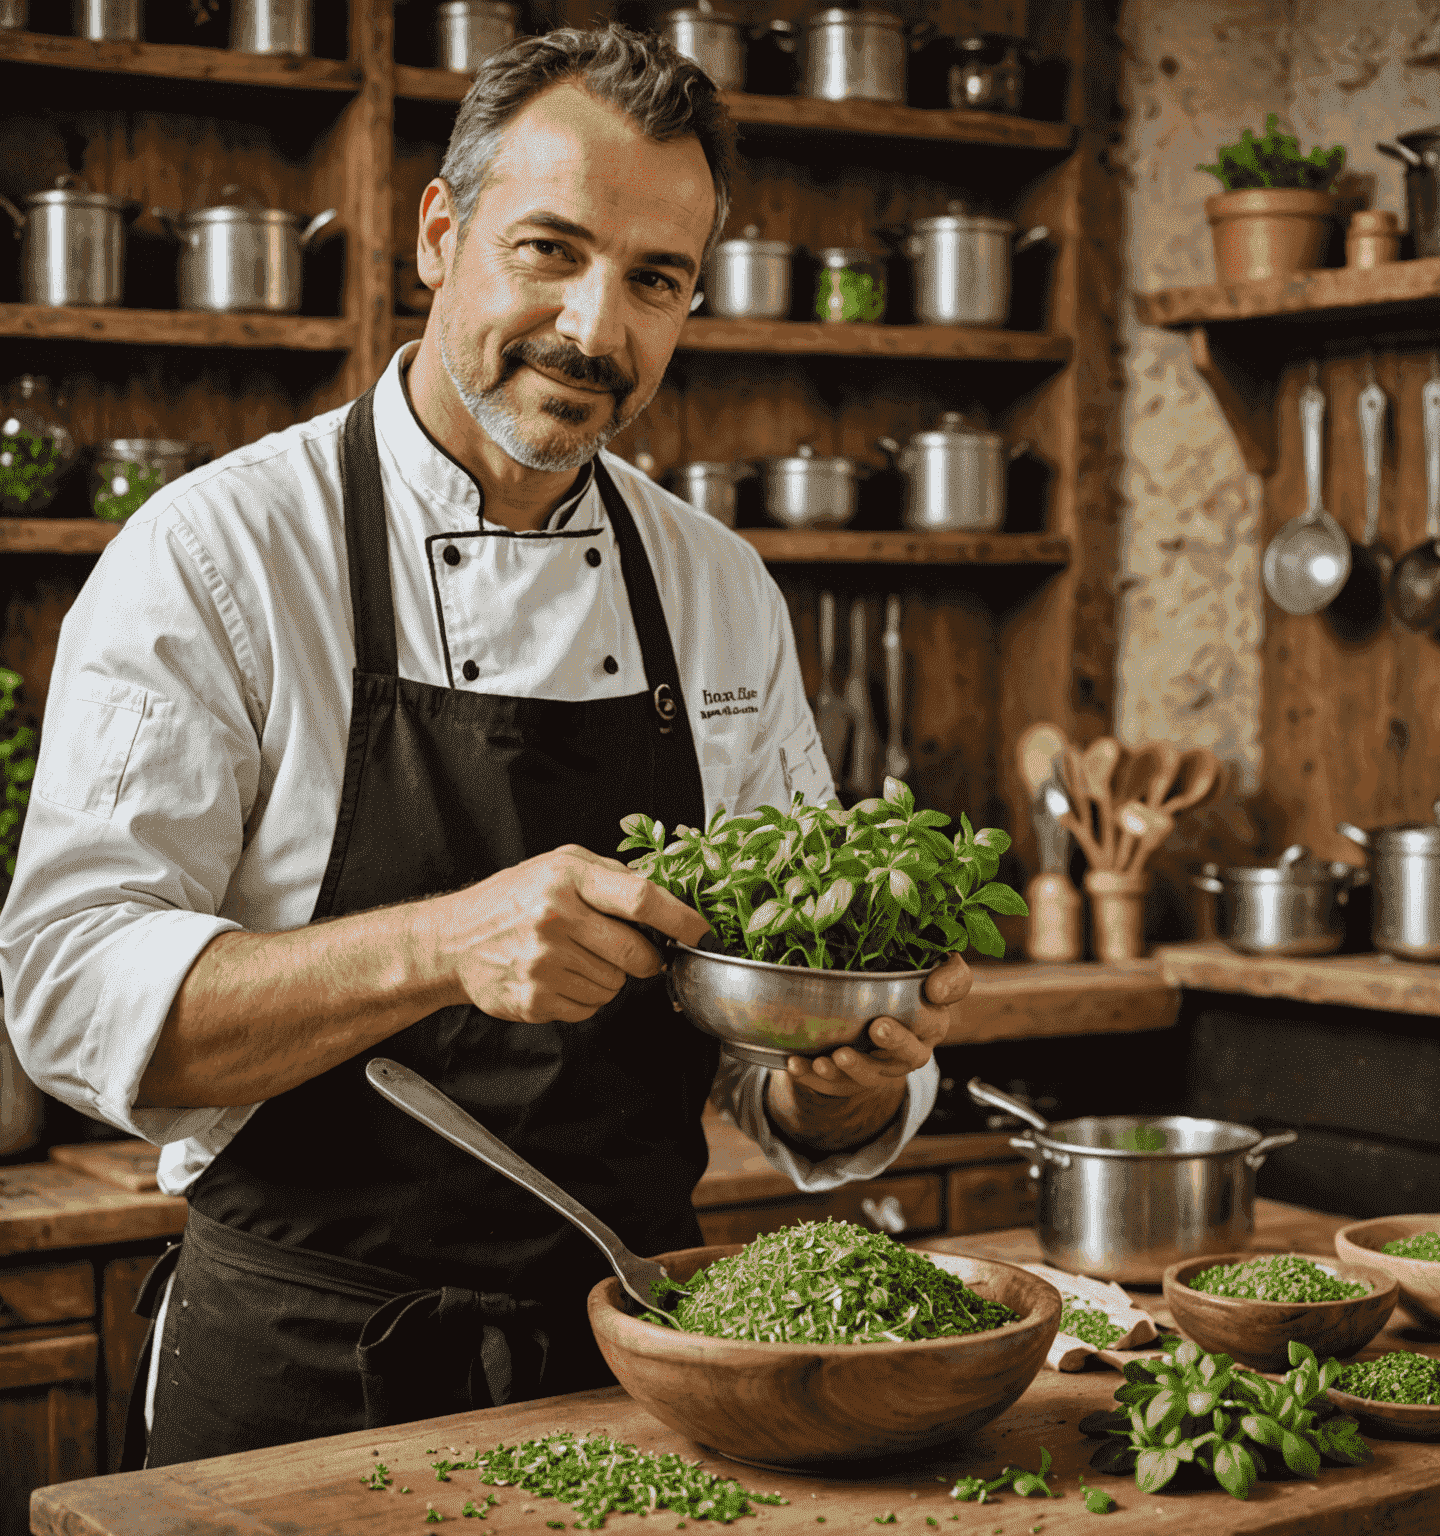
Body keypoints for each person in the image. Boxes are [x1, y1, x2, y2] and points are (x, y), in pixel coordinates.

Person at [0, 25, 970, 1466]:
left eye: (655, 280)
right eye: (549, 250)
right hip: (299, 1377)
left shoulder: (716, 587)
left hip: (635, 1360)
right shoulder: (218, 554)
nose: (595, 328)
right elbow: (73, 994)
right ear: (440, 236)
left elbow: (759, 1040)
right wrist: (441, 944)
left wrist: (836, 1081)